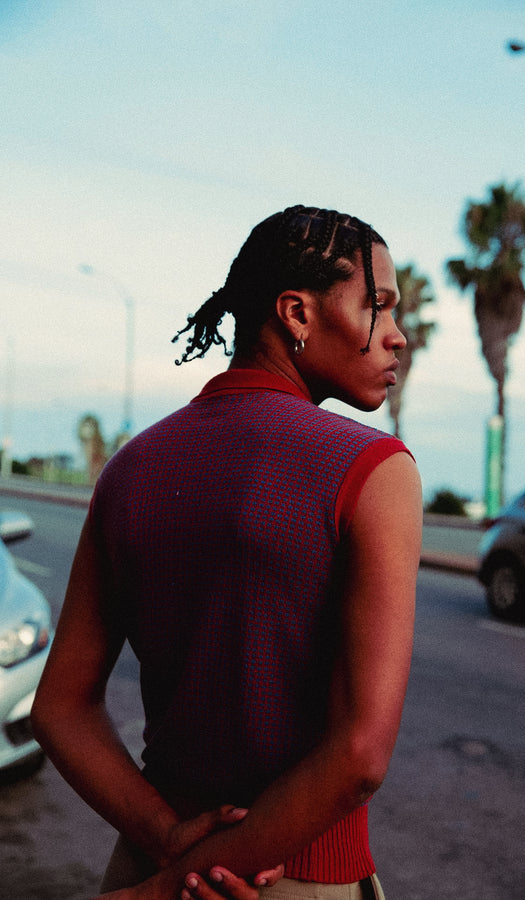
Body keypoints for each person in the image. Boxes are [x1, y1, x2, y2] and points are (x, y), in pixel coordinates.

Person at [31, 205, 422, 899]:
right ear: (297, 313)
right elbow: (360, 754)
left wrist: (164, 847)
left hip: (147, 864)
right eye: (379, 306)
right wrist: (191, 877)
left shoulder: (131, 468)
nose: (397, 338)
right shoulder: (374, 470)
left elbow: (59, 707)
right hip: (295, 878)